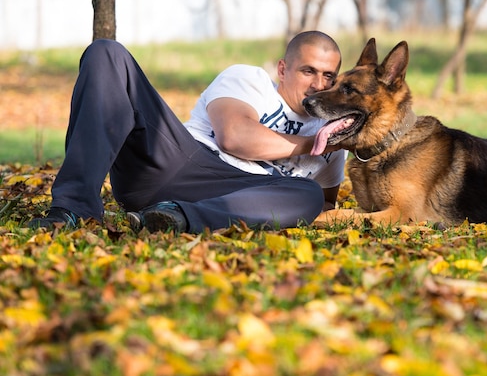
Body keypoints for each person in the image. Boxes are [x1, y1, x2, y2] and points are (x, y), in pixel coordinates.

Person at [28, 31, 346, 233]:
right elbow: (234, 136)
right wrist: (313, 144)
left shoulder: (332, 135)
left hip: (236, 195)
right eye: (309, 71)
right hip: (182, 159)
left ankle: (173, 217)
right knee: (107, 53)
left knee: (308, 194)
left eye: (328, 76)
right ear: (282, 69)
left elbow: (327, 204)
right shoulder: (249, 80)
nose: (318, 84)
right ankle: (72, 208)